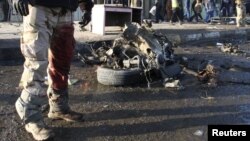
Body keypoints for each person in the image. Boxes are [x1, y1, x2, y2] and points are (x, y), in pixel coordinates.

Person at [13, 0, 94, 140]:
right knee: (36, 63)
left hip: (66, 9)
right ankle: (30, 114)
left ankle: (58, 106)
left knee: (62, 62)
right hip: (39, 8)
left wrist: (87, 5)